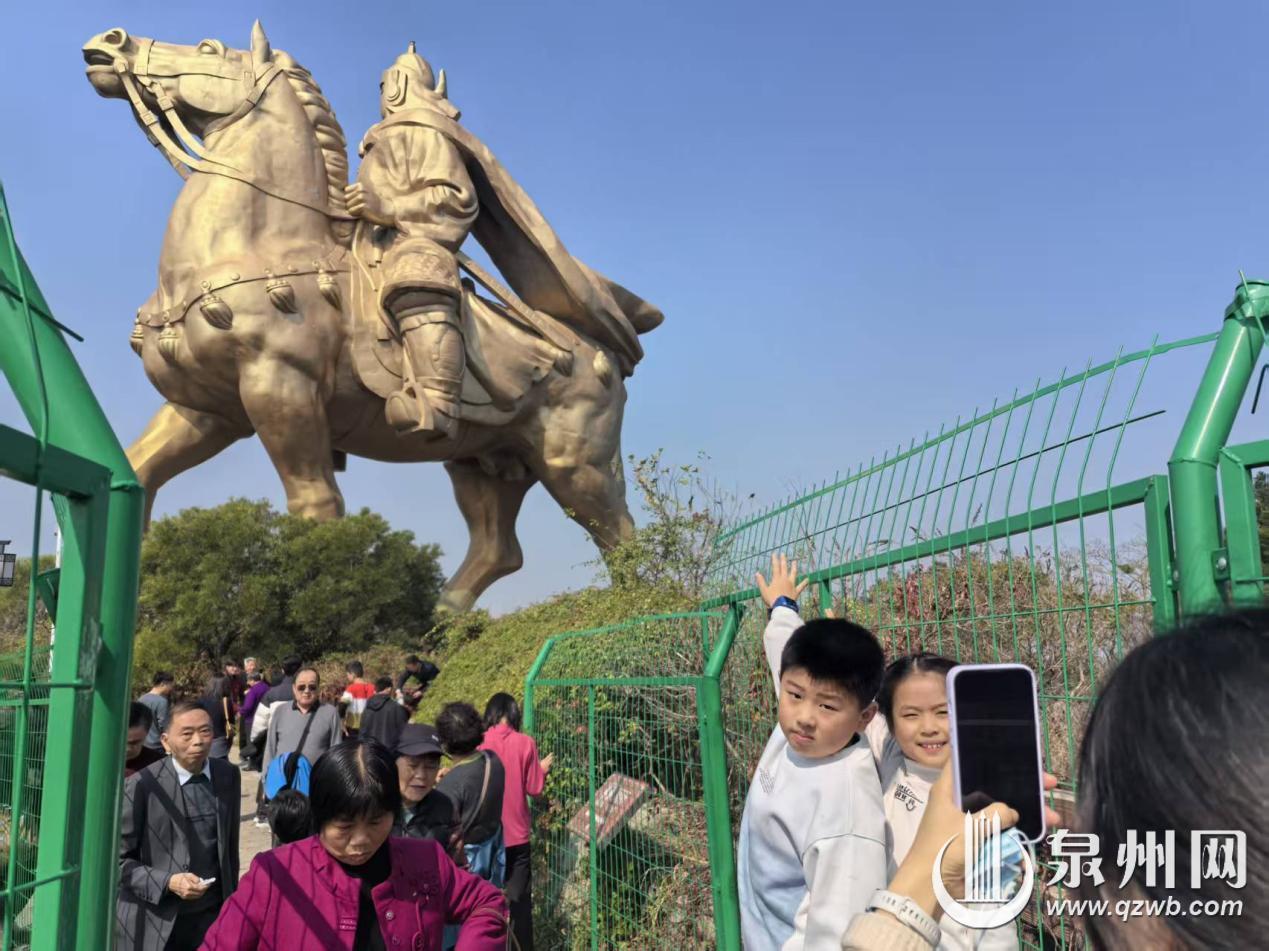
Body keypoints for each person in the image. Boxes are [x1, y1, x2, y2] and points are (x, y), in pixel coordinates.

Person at [202, 739, 509, 950]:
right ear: (319, 816)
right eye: (345, 827)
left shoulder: (425, 860)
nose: (361, 841)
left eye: (376, 822)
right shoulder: (275, 874)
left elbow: (487, 902)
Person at [737, 554, 887, 950]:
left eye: (827, 706)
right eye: (794, 695)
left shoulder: (847, 807)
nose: (805, 717)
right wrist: (783, 605)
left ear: (865, 717)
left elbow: (842, 932)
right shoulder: (800, 727)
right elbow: (784, 650)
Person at [867, 655, 1017, 951]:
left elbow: (997, 917)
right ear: (891, 724)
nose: (929, 727)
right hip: (887, 934)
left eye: (943, 712)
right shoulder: (892, 757)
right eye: (911, 715)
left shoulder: (984, 801)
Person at [117, 702, 241, 951]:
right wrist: (168, 882)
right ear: (165, 741)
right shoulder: (142, 785)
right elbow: (118, 862)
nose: (198, 741)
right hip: (155, 920)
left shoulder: (227, 775)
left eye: (205, 731)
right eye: (187, 734)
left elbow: (230, 847)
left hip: (212, 916)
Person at [480, 692, 553, 951]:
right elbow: (534, 788)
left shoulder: (478, 743)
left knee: (485, 903)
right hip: (517, 836)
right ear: (514, 714)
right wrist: (541, 770)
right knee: (520, 904)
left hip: (485, 839)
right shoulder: (525, 743)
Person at [436, 702, 506, 884]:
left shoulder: (449, 786)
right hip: (491, 856)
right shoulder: (493, 760)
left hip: (465, 868)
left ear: (445, 743)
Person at [262, 667, 344, 795]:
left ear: (318, 688)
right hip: (282, 788)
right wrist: (265, 780)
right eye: (301, 687)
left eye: (312, 687)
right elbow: (270, 748)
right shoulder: (280, 711)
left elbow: (336, 752)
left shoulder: (330, 713)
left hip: (316, 788)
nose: (306, 691)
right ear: (294, 688)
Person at [393, 722, 455, 846]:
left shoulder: (444, 807)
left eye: (430, 766)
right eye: (413, 765)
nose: (421, 775)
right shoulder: (375, 806)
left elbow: (454, 855)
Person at [360, 675, 409, 750]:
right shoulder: (395, 707)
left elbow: (363, 730)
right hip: (388, 751)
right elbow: (403, 730)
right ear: (388, 689)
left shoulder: (368, 706)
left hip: (370, 751)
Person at [125, 701, 166, 778]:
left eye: (134, 743)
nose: (126, 748)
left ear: (146, 733)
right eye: (119, 743)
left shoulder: (159, 765)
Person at [239, 672, 269, 771]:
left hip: (251, 719)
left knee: (251, 742)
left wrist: (240, 711)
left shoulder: (253, 691)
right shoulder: (267, 687)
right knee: (262, 742)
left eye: (248, 681)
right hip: (265, 718)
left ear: (252, 680)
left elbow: (248, 707)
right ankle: (259, 764)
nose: (248, 683)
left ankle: (249, 761)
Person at [137, 672, 175, 752]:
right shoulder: (162, 702)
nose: (171, 688)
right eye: (170, 685)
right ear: (163, 684)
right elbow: (164, 725)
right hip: (157, 746)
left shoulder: (141, 699)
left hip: (142, 745)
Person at [201, 675, 235, 760]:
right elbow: (231, 721)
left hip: (204, 737)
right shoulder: (225, 701)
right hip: (220, 739)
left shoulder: (201, 701)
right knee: (221, 764)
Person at [341, 660, 378, 737]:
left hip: (353, 728)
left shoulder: (350, 689)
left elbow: (342, 707)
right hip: (370, 728)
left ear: (353, 674)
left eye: (348, 674)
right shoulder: (373, 688)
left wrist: (341, 722)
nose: (347, 677)